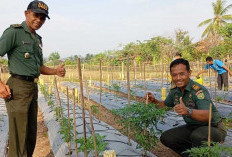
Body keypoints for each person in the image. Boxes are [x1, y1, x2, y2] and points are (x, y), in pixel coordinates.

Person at [0, 1, 66, 157]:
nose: (39, 20)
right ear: (26, 13)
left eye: (43, 18)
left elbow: (39, 67)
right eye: (36, 15)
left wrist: (55, 71)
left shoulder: (37, 39)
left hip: (32, 88)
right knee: (19, 136)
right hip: (17, 88)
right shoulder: (14, 32)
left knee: (30, 135)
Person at [145, 59, 226, 156]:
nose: (178, 78)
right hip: (193, 127)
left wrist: (188, 111)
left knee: (198, 136)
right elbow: (164, 105)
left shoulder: (198, 91)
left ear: (189, 73)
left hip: (213, 127)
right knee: (167, 137)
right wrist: (154, 101)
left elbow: (208, 116)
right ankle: (190, 154)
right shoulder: (175, 91)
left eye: (182, 74)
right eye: (174, 75)